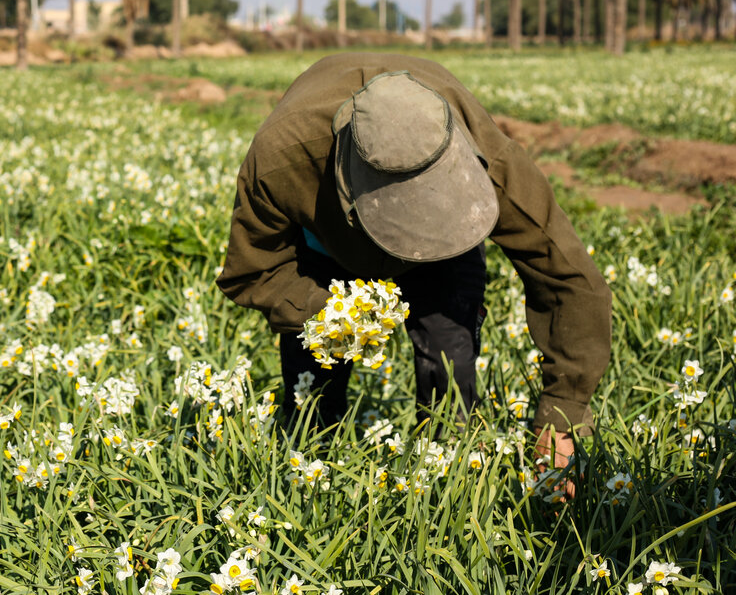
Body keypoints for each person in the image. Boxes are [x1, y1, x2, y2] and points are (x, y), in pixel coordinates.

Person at [216, 53, 612, 482]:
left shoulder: (489, 158)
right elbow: (254, 270)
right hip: (327, 252)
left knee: (450, 373)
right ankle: (312, 493)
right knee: (312, 403)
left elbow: (568, 275)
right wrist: (328, 310)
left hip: (451, 241)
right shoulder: (282, 160)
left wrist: (562, 414)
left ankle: (447, 488)